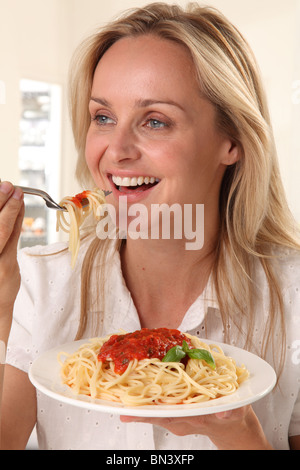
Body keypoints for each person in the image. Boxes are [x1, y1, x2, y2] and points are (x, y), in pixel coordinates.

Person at [0, 2, 299, 450]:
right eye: (103, 117)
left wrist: (242, 437)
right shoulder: (40, 283)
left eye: (155, 121)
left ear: (231, 142)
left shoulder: (293, 296)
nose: (115, 150)